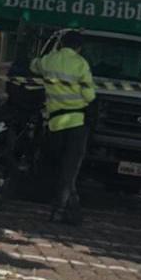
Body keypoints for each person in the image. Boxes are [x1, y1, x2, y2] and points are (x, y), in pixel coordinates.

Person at [30, 30, 96, 225]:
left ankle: (73, 211)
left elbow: (34, 65)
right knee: (70, 169)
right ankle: (59, 211)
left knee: (62, 169)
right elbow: (90, 96)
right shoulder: (80, 64)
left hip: (55, 123)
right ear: (79, 48)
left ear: (61, 44)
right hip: (76, 123)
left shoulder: (49, 61)